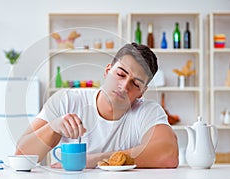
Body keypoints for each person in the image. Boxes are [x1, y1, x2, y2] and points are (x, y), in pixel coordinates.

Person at [15, 43, 179, 169]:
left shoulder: (147, 111)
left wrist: (95, 160)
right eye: (120, 74)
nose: (123, 86)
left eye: (136, 84)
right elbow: (21, 155)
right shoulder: (67, 100)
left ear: (142, 92)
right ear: (108, 70)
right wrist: (52, 127)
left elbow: (168, 154)